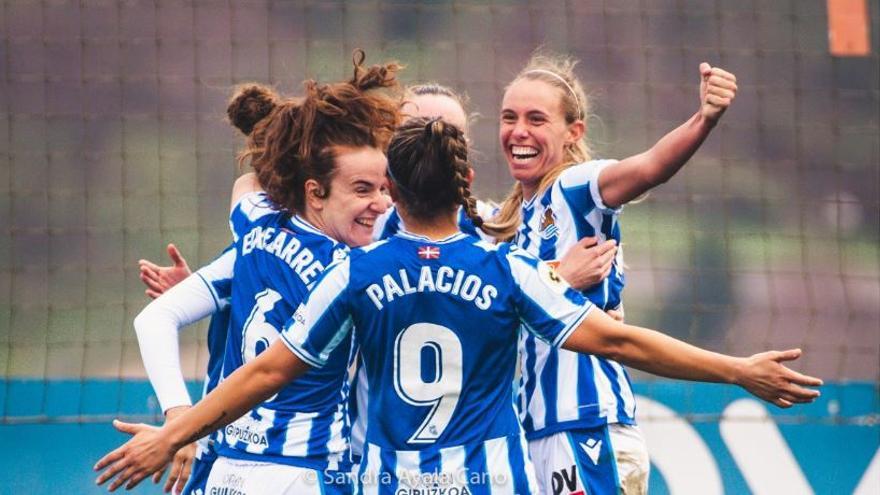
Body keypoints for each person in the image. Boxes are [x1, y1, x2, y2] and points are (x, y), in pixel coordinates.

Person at [94, 116, 821, 495]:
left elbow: (266, 372)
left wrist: (174, 430)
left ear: (395, 193)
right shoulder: (508, 270)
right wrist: (738, 369)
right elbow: (623, 343)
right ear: (467, 181)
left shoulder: (356, 274)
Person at [128, 50, 402, 494]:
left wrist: (177, 417)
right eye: (363, 189)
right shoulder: (355, 270)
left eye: (384, 189)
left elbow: (247, 188)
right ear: (315, 192)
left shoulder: (254, 229)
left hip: (222, 471)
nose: (382, 204)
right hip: (304, 473)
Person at [489, 52, 738, 493]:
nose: (519, 131)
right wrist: (557, 275)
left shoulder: (573, 186)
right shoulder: (514, 221)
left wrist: (704, 119)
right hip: (542, 433)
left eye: (536, 119)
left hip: (587, 426)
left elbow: (649, 168)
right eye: (509, 117)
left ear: (573, 133)